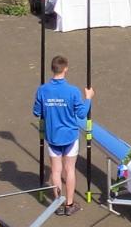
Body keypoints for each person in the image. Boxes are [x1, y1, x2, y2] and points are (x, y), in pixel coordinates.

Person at [33, 56, 92, 215]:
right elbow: (81, 114)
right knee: (69, 169)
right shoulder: (72, 91)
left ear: (52, 69)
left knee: (56, 171)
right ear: (65, 68)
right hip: (70, 136)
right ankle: (69, 204)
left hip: (52, 137)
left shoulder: (42, 90)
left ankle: (58, 202)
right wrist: (88, 99)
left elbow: (36, 112)